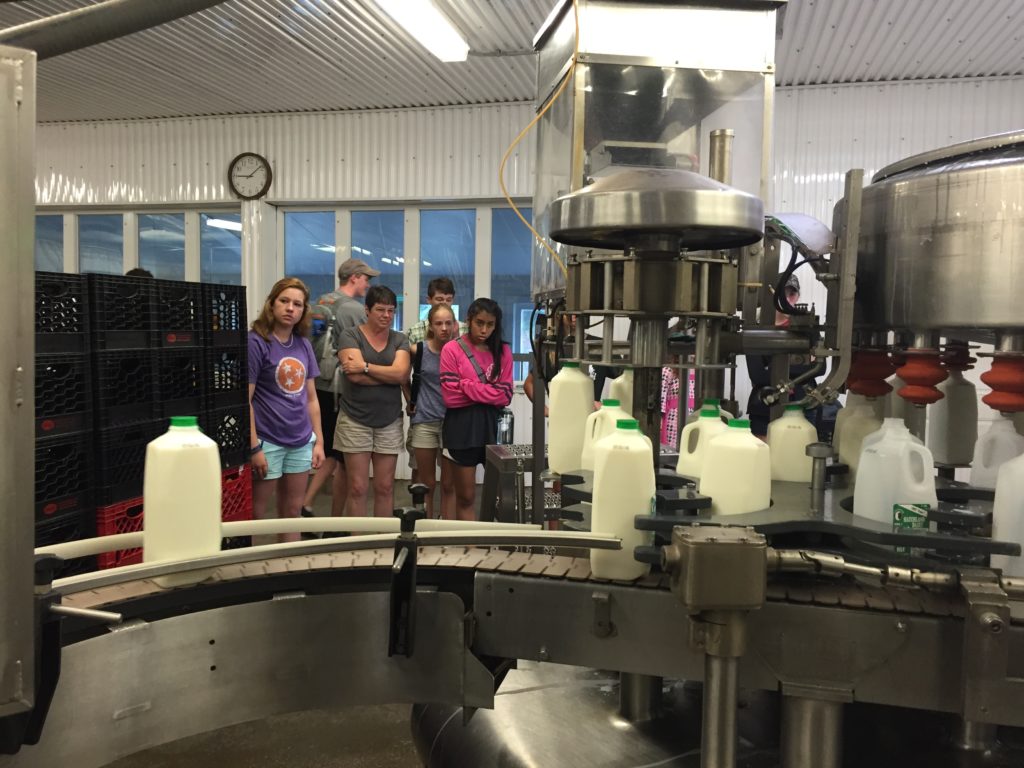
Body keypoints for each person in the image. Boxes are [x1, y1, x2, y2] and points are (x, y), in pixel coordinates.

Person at [301, 259, 381, 522]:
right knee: (343, 455)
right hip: (340, 387)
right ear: (355, 277)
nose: (368, 284)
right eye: (366, 278)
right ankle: (324, 513)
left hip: (318, 384)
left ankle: (319, 509)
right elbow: (366, 346)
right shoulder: (353, 309)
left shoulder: (320, 303)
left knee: (333, 452)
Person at [248, 277, 325, 542]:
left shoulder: (303, 344)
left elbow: (311, 398)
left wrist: (319, 442)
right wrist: (254, 446)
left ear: (303, 311)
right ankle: (250, 571)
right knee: (256, 515)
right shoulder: (256, 342)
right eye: (284, 301)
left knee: (292, 511)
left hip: (301, 440)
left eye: (297, 304)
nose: (290, 308)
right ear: (271, 303)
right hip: (267, 440)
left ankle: (289, 570)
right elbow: (245, 400)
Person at [336, 285, 411, 517]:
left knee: (385, 487)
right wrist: (388, 376)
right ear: (367, 310)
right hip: (354, 419)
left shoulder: (400, 339)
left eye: (391, 311)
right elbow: (354, 376)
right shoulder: (350, 335)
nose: (386, 316)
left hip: (389, 420)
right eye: (380, 310)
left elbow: (401, 375)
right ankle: (358, 543)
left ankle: (383, 541)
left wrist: (366, 366)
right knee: (357, 488)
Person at [440, 298, 513, 521]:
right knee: (466, 497)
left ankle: (498, 547)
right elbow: (451, 397)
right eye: (479, 323)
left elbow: (506, 395)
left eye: (490, 324)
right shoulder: (452, 349)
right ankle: (470, 549)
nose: (484, 330)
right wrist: (488, 392)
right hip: (461, 429)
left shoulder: (503, 350)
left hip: (494, 428)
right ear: (469, 320)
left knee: (502, 496)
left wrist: (466, 385)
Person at [746, 272, 819, 438]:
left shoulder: (809, 330)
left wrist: (772, 368)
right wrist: (801, 368)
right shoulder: (756, 329)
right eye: (783, 293)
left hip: (803, 406)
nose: (788, 299)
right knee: (763, 457)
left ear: (798, 296)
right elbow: (758, 375)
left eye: (792, 293)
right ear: (771, 295)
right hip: (765, 406)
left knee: (799, 458)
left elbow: (819, 368)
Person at [401, 303, 458, 518]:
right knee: (426, 483)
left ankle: (446, 533)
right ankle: (425, 531)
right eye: (439, 323)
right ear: (430, 326)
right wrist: (410, 400)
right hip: (424, 421)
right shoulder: (419, 350)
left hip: (452, 422)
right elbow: (402, 377)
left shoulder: (460, 351)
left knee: (449, 484)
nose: (444, 328)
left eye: (448, 323)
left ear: (454, 325)